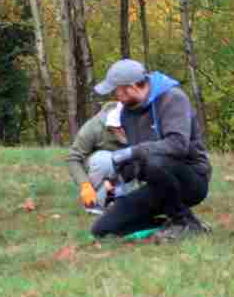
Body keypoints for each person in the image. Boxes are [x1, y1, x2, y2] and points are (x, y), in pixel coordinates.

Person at [89, 59, 211, 239]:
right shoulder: (126, 113)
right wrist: (116, 184)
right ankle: (182, 224)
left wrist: (129, 153)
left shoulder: (173, 98)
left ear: (132, 87)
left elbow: (177, 145)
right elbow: (138, 162)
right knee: (102, 229)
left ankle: (181, 221)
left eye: (116, 90)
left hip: (191, 179)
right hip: (158, 184)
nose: (115, 95)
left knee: (154, 161)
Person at [67, 99, 131, 213]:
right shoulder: (93, 126)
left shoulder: (140, 122)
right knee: (105, 159)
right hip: (98, 169)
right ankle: (92, 202)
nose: (123, 131)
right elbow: (73, 158)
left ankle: (116, 198)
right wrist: (85, 185)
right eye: (119, 128)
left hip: (125, 171)